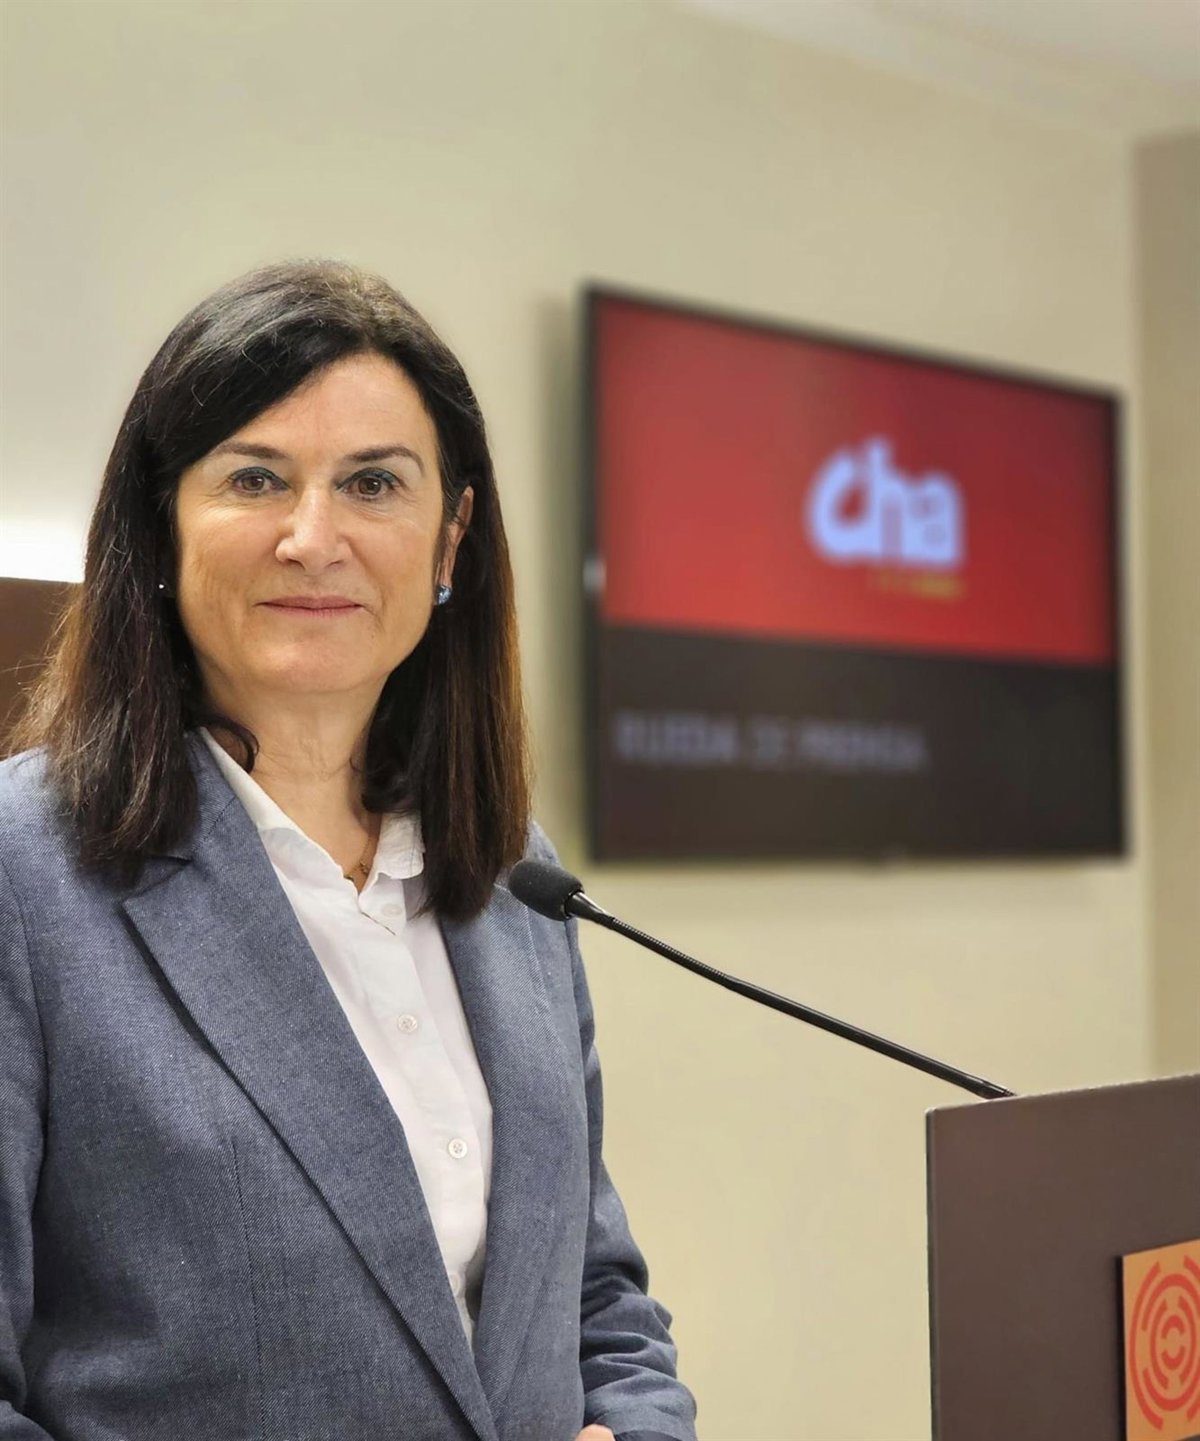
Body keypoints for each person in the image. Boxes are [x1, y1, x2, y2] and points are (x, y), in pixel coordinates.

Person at [0, 260, 697, 1441]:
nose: (312, 538)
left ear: (451, 538)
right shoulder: (25, 878)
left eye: (373, 482)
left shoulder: (512, 871)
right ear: (160, 524)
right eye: (255, 478)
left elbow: (594, 1294)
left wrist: (637, 1430)